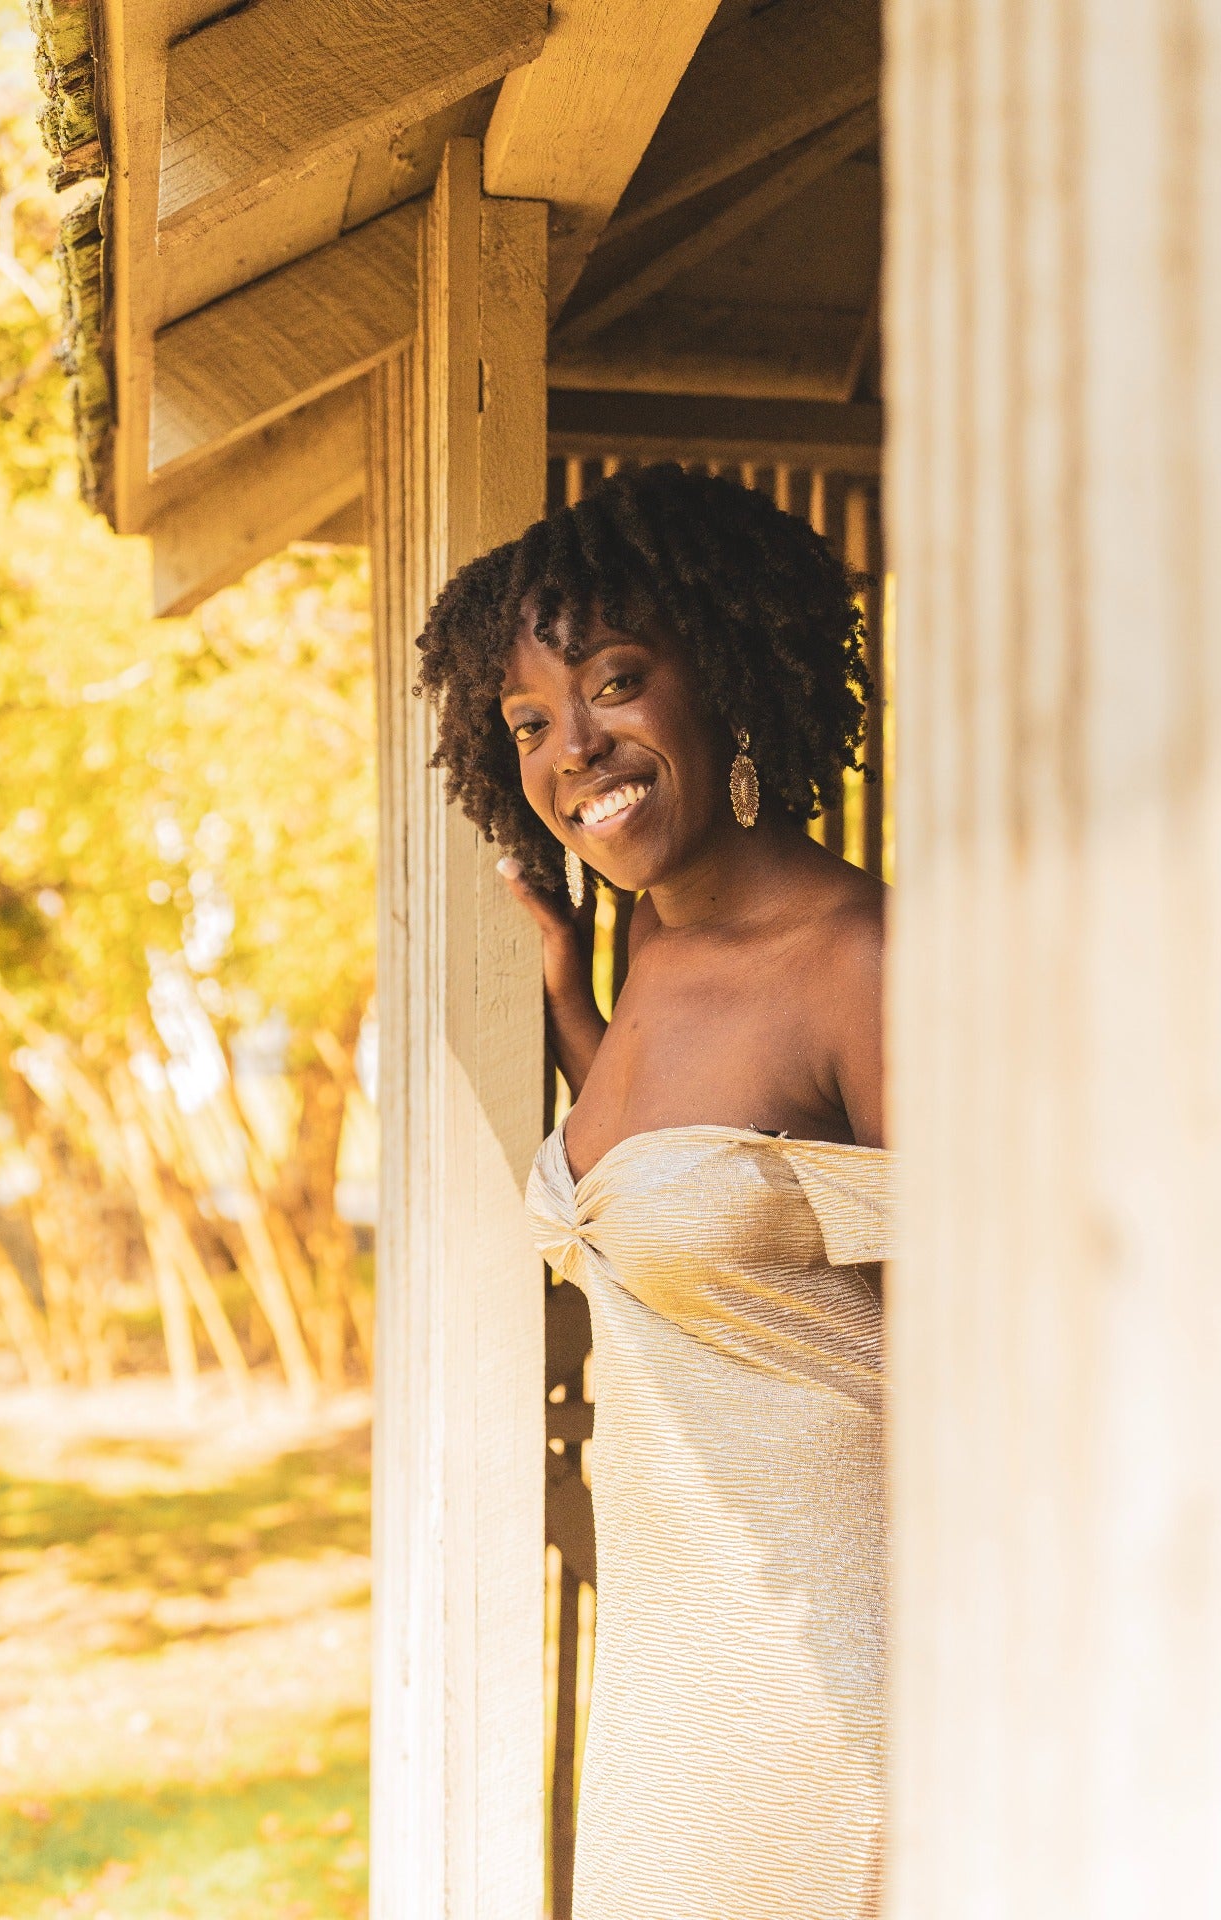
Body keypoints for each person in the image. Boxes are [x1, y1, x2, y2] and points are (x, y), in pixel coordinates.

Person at [416, 463, 894, 1919]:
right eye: (531, 724)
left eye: (618, 685)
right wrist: (568, 992)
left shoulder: (865, 963)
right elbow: (666, 1200)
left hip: (844, 1660)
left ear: (727, 679)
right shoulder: (648, 959)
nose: (575, 748)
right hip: (680, 1649)